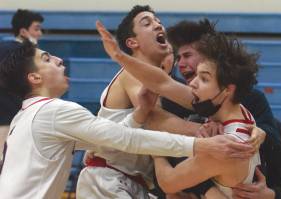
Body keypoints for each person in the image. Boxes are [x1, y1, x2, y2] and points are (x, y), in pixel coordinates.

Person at [0, 40, 257, 198]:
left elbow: (108, 140)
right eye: (46, 58)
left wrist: (138, 114)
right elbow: (124, 139)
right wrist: (200, 144)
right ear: (34, 78)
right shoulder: (55, 111)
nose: (57, 59)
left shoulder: (26, 115)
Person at [97, 21, 263, 198]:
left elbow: (168, 181)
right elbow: (163, 83)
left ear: (227, 90)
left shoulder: (226, 147)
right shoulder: (238, 111)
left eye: (204, 79)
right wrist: (119, 56)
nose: (192, 83)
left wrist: (154, 146)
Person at [77, 5, 223, 199]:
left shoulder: (161, 81)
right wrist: (204, 132)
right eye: (147, 23)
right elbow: (154, 117)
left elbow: (191, 100)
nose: (157, 25)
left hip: (136, 182)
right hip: (109, 176)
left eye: (158, 22)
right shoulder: (132, 73)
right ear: (132, 42)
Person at [164, 20, 281, 199]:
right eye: (178, 57)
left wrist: (273, 195)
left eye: (187, 55)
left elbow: (168, 178)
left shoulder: (249, 107)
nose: (180, 64)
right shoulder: (183, 99)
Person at [0, 9, 44, 158]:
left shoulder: (5, 48)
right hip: (10, 117)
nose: (40, 33)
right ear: (24, 31)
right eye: (36, 29)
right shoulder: (25, 52)